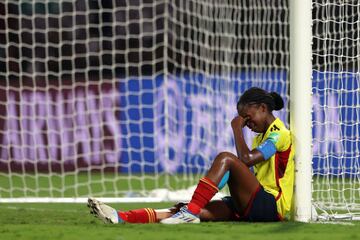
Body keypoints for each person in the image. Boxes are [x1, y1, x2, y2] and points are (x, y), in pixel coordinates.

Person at [88, 87, 295, 224]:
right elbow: (244, 168)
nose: (247, 124)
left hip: (271, 207)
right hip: (252, 204)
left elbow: (246, 159)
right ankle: (122, 217)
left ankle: (191, 212)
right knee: (184, 209)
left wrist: (236, 128)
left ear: (263, 108)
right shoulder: (262, 138)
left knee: (226, 158)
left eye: (248, 119)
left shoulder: (280, 134)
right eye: (243, 121)